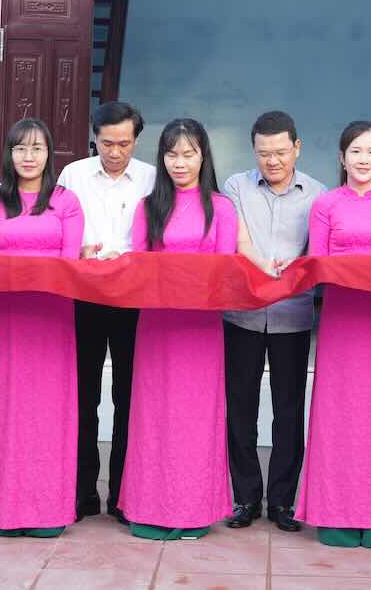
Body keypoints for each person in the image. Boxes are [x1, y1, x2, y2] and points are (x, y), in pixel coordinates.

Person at [0, 118, 84, 538]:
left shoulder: (66, 202)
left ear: (49, 154)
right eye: (20, 148)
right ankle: (0, 508)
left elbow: (70, 262)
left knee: (48, 414)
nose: (28, 157)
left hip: (52, 319)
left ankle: (48, 510)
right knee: (4, 409)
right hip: (5, 319)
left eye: (37, 148)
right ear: (8, 154)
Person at [296, 120, 371, 548]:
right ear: (342, 158)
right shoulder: (326, 205)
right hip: (341, 322)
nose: (364, 160)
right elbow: (318, 265)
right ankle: (335, 514)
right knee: (340, 414)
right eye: (356, 152)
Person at [120, 118, 239, 540]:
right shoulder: (148, 207)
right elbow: (138, 265)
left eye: (189, 154)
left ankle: (194, 511)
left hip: (201, 329)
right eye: (172, 154)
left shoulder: (221, 208)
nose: (180, 163)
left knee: (196, 420)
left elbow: (226, 271)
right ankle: (148, 508)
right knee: (154, 417)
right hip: (158, 327)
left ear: (203, 157)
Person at [221, 110, 326, 533]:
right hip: (242, 314)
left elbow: (319, 252)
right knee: (239, 407)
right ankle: (245, 497)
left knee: (288, 409)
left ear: (297, 148)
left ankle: (282, 500)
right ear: (254, 151)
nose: (273, 161)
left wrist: (292, 270)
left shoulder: (318, 195)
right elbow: (237, 239)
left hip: (293, 314)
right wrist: (263, 265)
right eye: (264, 153)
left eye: (281, 152)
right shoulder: (236, 186)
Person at [56, 101, 155, 524]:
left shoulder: (152, 177)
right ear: (93, 137)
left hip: (134, 300)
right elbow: (57, 227)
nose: (115, 152)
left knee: (129, 397)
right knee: (83, 395)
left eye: (124, 144)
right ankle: (81, 493)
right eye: (107, 143)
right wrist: (74, 250)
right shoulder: (73, 175)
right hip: (83, 297)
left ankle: (122, 494)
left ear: (136, 140)